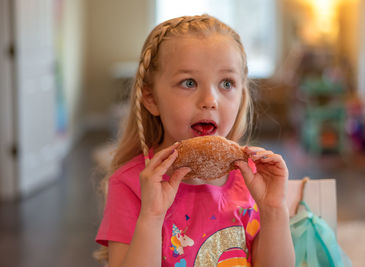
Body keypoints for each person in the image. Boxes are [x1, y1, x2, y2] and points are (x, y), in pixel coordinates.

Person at [94, 14, 295, 267]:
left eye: (226, 83)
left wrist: (274, 209)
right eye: (189, 83)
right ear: (151, 98)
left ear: (242, 95)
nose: (209, 99)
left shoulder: (252, 180)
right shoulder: (131, 185)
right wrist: (152, 216)